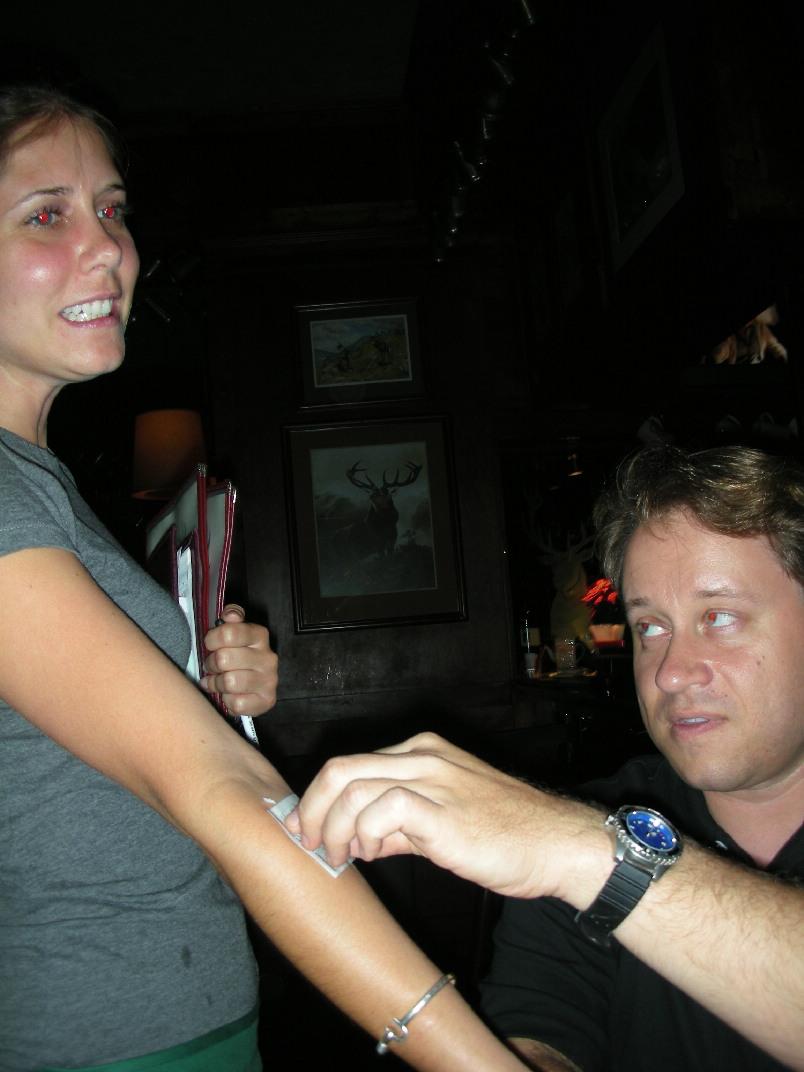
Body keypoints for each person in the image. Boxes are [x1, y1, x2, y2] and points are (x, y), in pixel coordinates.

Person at [0, 83, 530, 1072]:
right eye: (46, 215)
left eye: (113, 208)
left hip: (175, 1007)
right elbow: (219, 785)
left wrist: (197, 680)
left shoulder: (49, 489)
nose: (110, 249)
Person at [291, 443, 804, 1071]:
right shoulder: (610, 816)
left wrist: (588, 854)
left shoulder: (582, 841)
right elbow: (541, 1038)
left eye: (719, 617)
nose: (669, 673)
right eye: (650, 627)